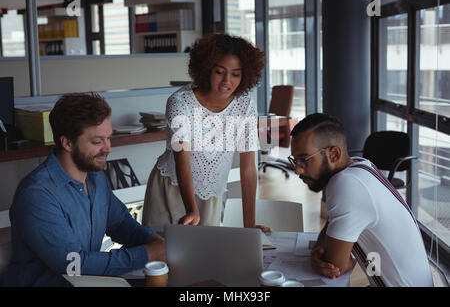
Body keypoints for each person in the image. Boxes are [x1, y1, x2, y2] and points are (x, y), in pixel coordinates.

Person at [3, 93, 165, 287]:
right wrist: (148, 253)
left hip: (88, 282)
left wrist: (153, 240)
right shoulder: (36, 195)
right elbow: (75, 264)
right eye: (97, 142)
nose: (108, 149)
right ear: (67, 143)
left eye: (108, 138)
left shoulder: (95, 177)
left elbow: (121, 223)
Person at [142, 33, 271, 233]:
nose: (226, 81)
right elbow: (181, 159)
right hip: (171, 188)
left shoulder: (245, 106)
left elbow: (248, 169)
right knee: (162, 257)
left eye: (236, 74)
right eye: (220, 72)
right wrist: (191, 209)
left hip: (211, 193)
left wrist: (250, 225)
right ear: (206, 69)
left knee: (205, 259)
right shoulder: (180, 102)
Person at [288, 113, 433, 287]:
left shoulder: (346, 184)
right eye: (295, 161)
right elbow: (331, 228)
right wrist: (322, 246)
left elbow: (336, 267)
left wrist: (315, 257)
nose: (297, 170)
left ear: (334, 154)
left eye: (304, 160)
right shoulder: (360, 165)